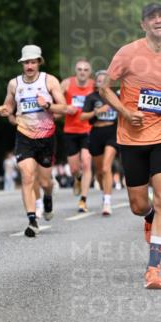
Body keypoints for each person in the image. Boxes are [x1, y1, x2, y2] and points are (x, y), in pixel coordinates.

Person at [101, 3, 161, 290]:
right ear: (143, 25)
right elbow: (104, 86)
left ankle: (153, 269)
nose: (159, 21)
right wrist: (125, 113)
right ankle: (149, 216)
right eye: (152, 18)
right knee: (140, 206)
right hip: (132, 138)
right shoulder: (127, 53)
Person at [0, 44, 66, 237]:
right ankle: (32, 220)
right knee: (27, 176)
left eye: (33, 62)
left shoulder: (49, 81)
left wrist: (48, 105)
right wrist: (5, 110)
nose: (30, 66)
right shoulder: (15, 84)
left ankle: (48, 197)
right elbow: (9, 106)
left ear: (39, 62)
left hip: (46, 137)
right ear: (22, 63)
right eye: (26, 62)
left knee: (45, 182)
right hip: (24, 136)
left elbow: (64, 108)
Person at [80, 70, 119, 216]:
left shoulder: (116, 96)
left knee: (106, 166)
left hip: (112, 132)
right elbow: (82, 117)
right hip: (96, 133)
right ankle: (105, 194)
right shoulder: (91, 98)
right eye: (100, 79)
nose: (102, 81)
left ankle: (107, 202)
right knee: (99, 171)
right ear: (96, 82)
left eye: (105, 79)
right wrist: (98, 112)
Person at [61, 59, 95, 213]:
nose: (82, 72)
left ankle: (83, 199)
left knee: (87, 162)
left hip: (88, 129)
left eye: (85, 70)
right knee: (74, 168)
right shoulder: (66, 84)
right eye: (79, 69)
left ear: (90, 72)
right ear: (75, 71)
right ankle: (78, 178)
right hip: (70, 130)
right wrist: (65, 109)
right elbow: (55, 102)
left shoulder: (94, 86)